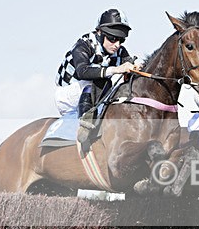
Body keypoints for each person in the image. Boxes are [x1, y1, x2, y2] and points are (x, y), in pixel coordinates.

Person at [54, 8, 140, 140]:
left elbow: (132, 70)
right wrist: (116, 69)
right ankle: (85, 126)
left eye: (121, 40)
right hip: (67, 95)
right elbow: (83, 72)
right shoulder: (84, 44)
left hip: (94, 96)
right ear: (99, 32)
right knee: (99, 80)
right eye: (112, 38)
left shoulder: (120, 51)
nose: (117, 45)